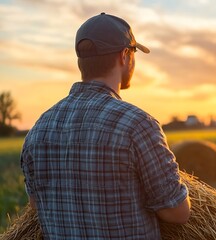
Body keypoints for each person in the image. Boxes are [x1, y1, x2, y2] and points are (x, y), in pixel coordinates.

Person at [20, 12, 190, 239]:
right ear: (124, 56)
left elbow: (36, 204)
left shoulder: (38, 130)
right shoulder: (137, 125)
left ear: (81, 61)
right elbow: (177, 212)